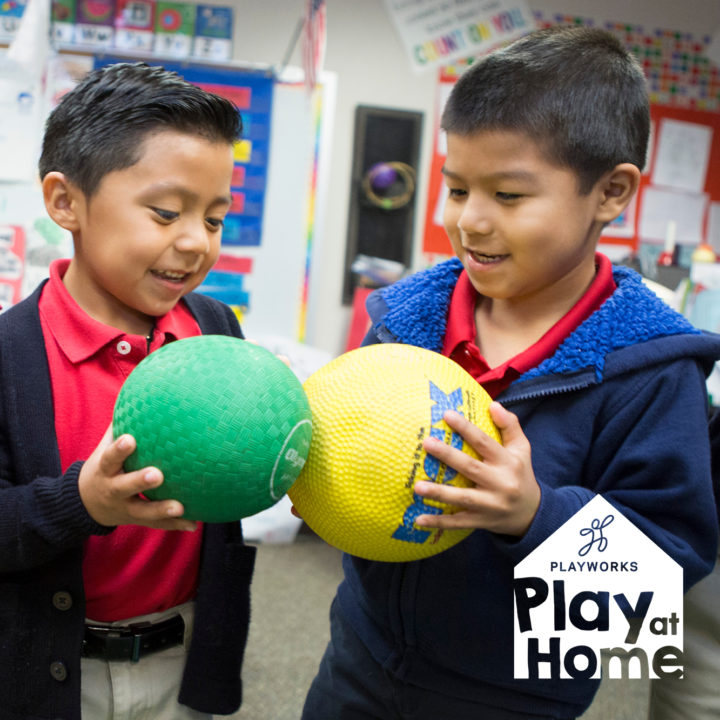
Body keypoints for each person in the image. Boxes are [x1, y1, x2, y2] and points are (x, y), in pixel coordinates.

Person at [300, 26, 720, 720]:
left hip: (514, 699)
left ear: (610, 192)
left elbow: (656, 586)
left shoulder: (651, 372)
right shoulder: (405, 322)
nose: (470, 220)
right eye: (457, 188)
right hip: (359, 659)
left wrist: (534, 516)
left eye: (509, 195)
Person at [0, 62, 257, 720]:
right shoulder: (9, 356)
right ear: (66, 202)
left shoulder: (214, 329)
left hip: (183, 661)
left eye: (215, 219)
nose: (196, 242)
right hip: (52, 671)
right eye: (166, 213)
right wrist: (82, 502)